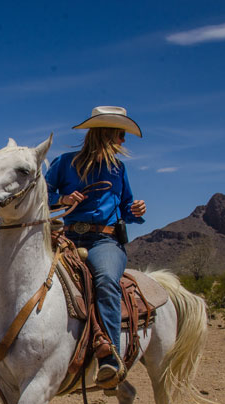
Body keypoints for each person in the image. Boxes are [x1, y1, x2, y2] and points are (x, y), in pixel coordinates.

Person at [45, 106, 146, 389]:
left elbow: (125, 208)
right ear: (105, 134)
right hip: (68, 237)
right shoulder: (64, 163)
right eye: (120, 134)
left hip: (105, 240)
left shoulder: (118, 169)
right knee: (34, 276)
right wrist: (63, 200)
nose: (123, 141)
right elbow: (42, 194)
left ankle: (110, 359)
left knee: (104, 281)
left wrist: (136, 209)